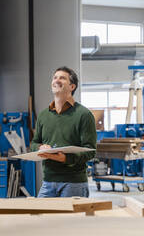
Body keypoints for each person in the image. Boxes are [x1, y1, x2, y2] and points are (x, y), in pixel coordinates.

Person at [31, 66, 96, 198]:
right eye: (55, 77)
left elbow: (90, 151)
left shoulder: (84, 115)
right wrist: (40, 147)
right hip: (48, 181)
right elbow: (34, 142)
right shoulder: (44, 115)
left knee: (70, 219)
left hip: (74, 183)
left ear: (72, 86)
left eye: (62, 78)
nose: (57, 80)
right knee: (41, 217)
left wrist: (66, 158)